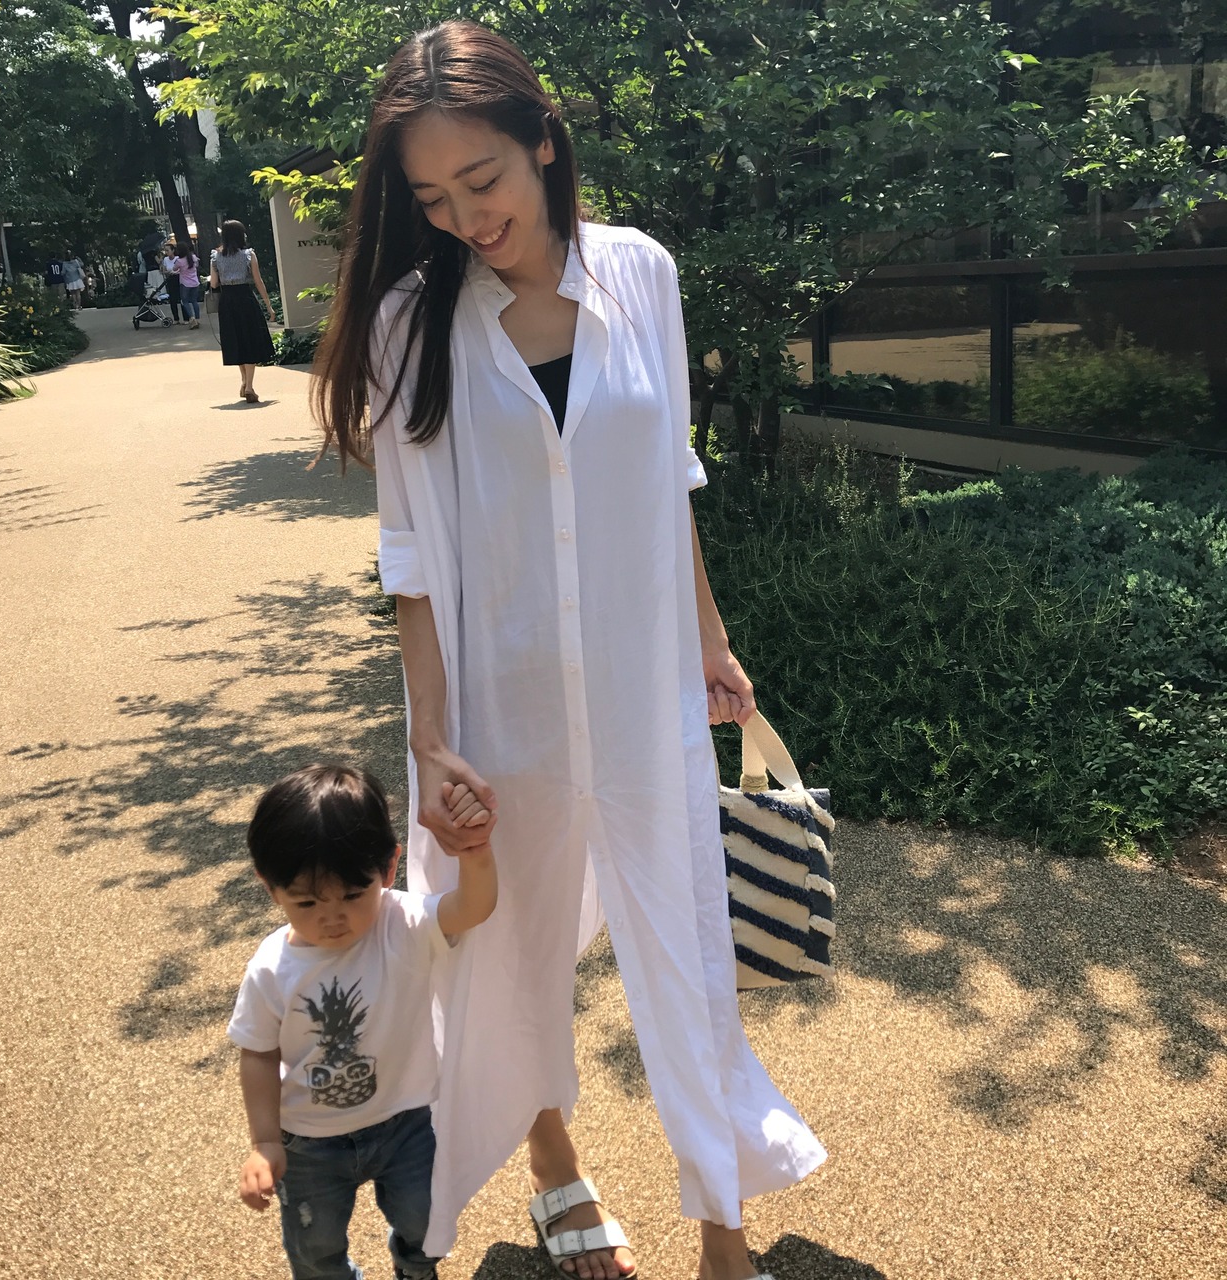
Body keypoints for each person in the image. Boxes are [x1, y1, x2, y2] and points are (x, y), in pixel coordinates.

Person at [312, 21, 826, 1280]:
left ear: (542, 141)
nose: (462, 217)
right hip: (502, 709)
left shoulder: (640, 273)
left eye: (479, 179)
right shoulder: (409, 323)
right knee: (508, 946)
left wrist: (709, 640)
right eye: (432, 198)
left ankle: (723, 1231)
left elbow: (669, 477)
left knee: (686, 950)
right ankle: (553, 1163)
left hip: (646, 695)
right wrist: (431, 737)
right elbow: (409, 552)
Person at [230, 763, 498, 1280]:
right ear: (269, 887)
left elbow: (473, 908)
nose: (333, 917)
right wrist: (264, 1141)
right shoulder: (272, 969)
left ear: (388, 868)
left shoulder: (402, 922)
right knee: (315, 1244)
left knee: (427, 1220)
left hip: (406, 1121)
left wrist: (476, 852)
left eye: (353, 895)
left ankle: (415, 1267)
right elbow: (258, 1053)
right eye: (306, 902)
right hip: (308, 1141)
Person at [209, 219, 277, 402]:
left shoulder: (215, 257)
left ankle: (244, 381)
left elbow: (214, 283)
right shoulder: (248, 254)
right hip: (245, 298)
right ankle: (249, 386)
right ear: (240, 235)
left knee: (236, 339)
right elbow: (258, 281)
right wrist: (268, 306)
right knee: (250, 339)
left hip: (227, 300)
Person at [171, 238, 203, 328]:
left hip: (185, 283)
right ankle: (198, 319)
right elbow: (196, 265)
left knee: (184, 301)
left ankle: (192, 318)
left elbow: (174, 269)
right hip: (195, 282)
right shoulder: (193, 257)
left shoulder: (179, 261)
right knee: (194, 301)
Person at [160, 239, 183, 325]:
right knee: (172, 300)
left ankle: (186, 318)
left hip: (178, 278)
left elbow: (181, 269)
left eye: (168, 250)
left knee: (182, 298)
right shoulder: (165, 259)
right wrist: (167, 271)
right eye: (165, 251)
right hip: (170, 279)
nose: (166, 252)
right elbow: (164, 271)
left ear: (173, 250)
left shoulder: (177, 258)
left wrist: (174, 271)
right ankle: (176, 318)